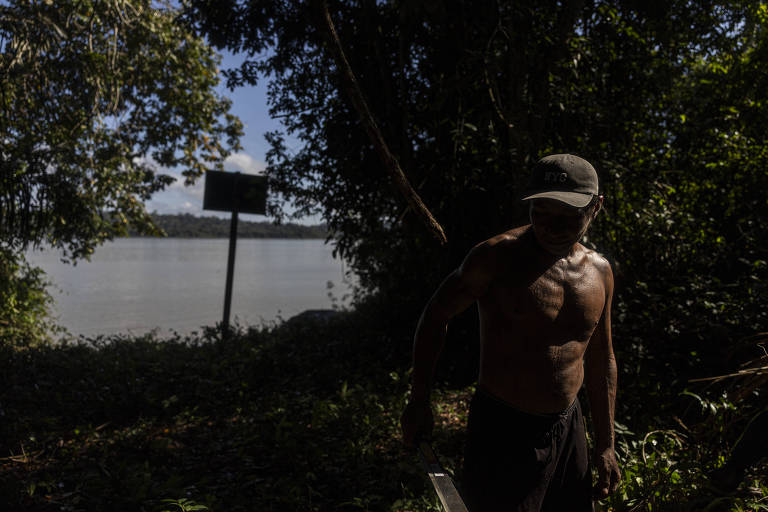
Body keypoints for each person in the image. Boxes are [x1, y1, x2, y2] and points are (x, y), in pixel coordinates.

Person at [401, 154, 621, 511]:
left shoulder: (600, 272)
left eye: (567, 217)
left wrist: (606, 444)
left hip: (568, 426)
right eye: (541, 213)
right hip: (502, 430)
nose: (551, 228)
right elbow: (435, 315)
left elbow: (601, 357)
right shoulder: (495, 258)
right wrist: (419, 399)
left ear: (596, 207)